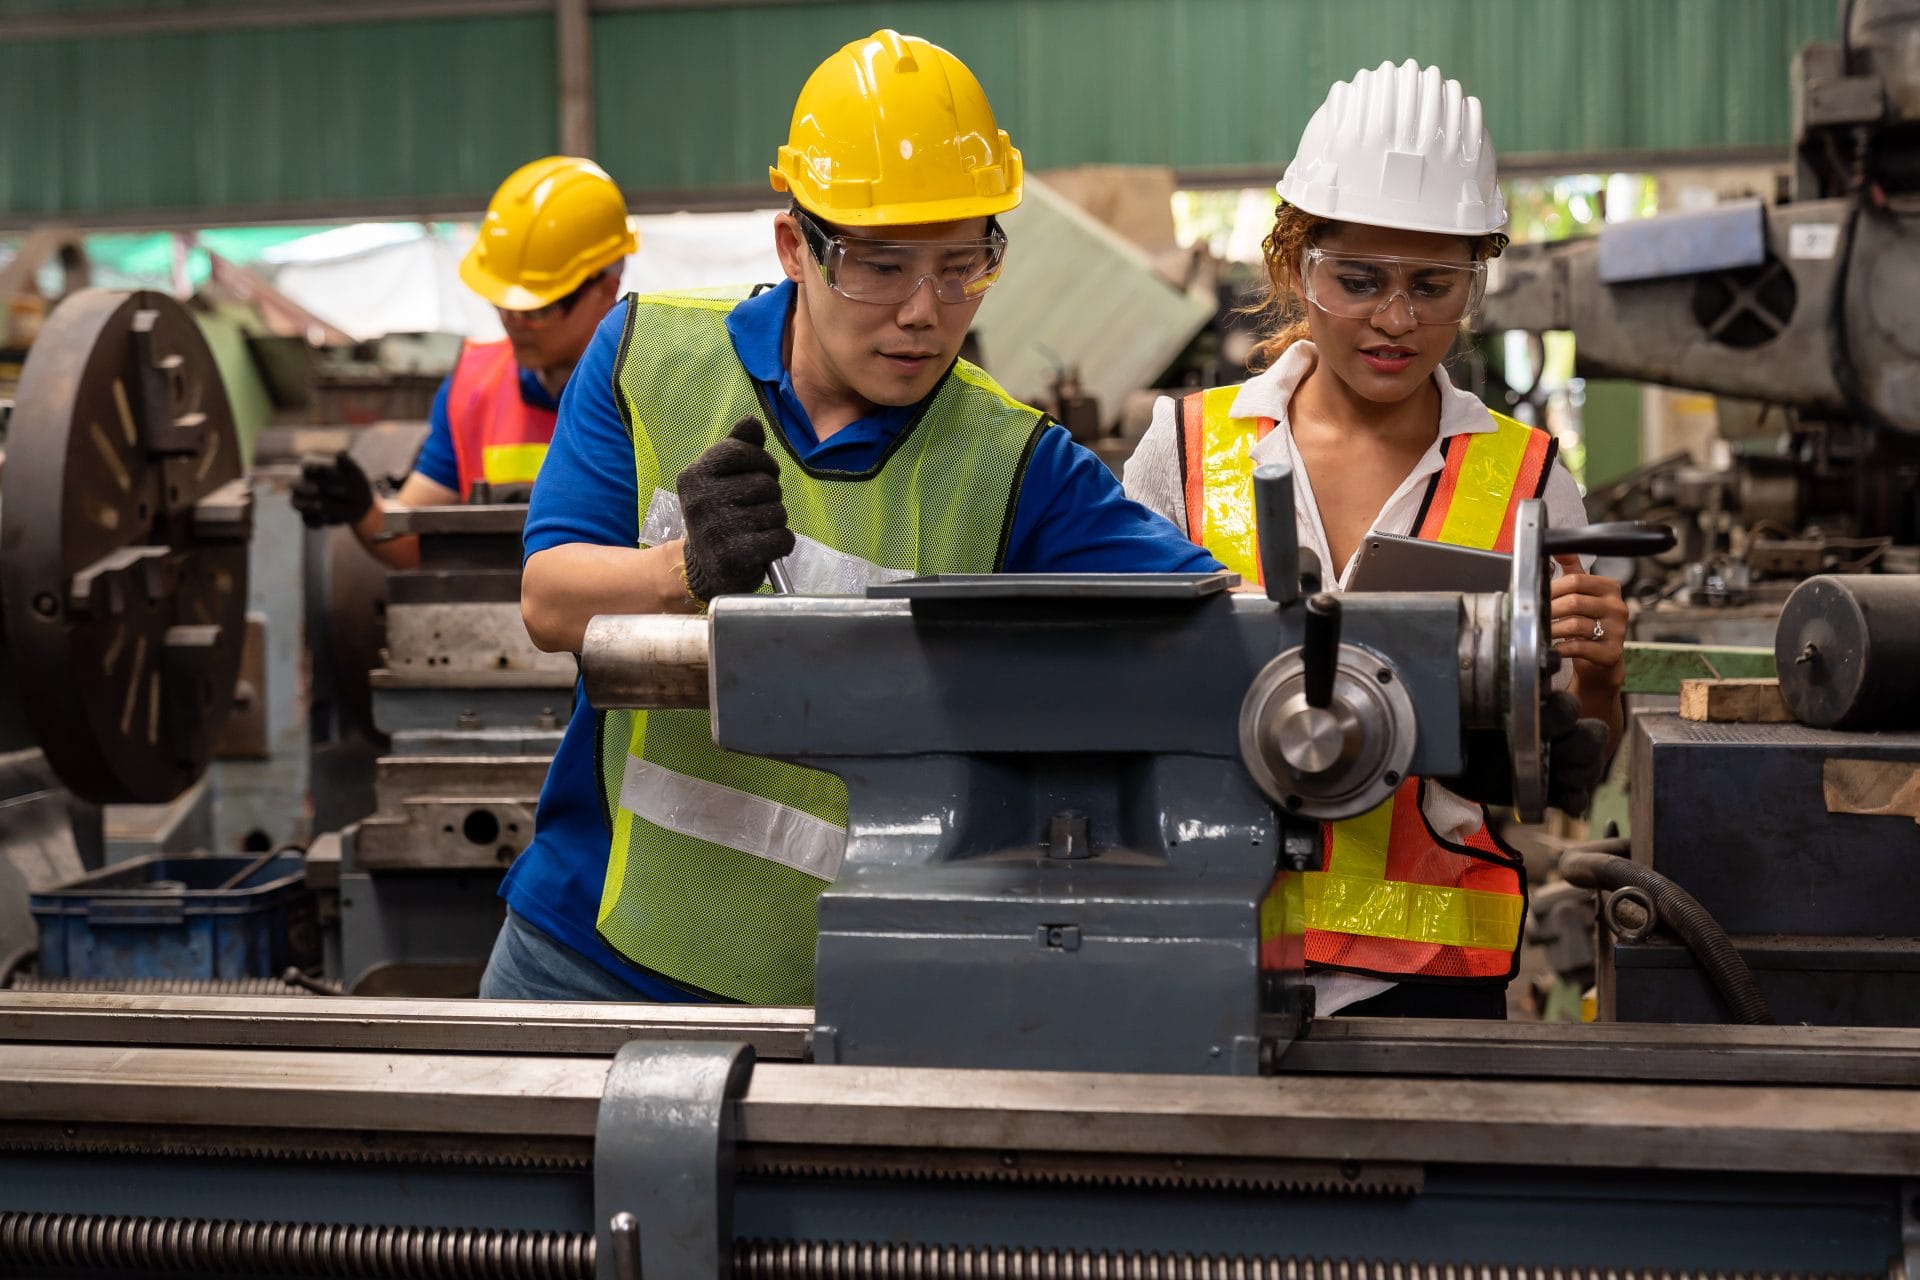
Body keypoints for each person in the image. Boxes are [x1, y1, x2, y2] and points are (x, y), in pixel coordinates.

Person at [480, 29, 1220, 1004]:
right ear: (795, 245)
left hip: (842, 995)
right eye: (881, 266)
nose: (925, 310)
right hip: (583, 951)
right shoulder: (646, 354)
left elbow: (1218, 635)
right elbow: (548, 599)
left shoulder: (1019, 469)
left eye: (962, 264)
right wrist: (684, 570)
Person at [1124, 61, 1622, 1021]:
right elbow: (1107, 685)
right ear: (1293, 265)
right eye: (1358, 280)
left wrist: (1597, 672)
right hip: (1206, 949)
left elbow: (1570, 775)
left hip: (1432, 984)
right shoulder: (1183, 451)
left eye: (1436, 285)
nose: (1397, 319)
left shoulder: (1528, 481)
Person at [291, 156, 636, 568]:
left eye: (537, 308)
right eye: (503, 304)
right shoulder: (474, 388)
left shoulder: (654, 391)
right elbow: (414, 540)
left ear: (606, 288)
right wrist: (361, 508)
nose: (514, 324)